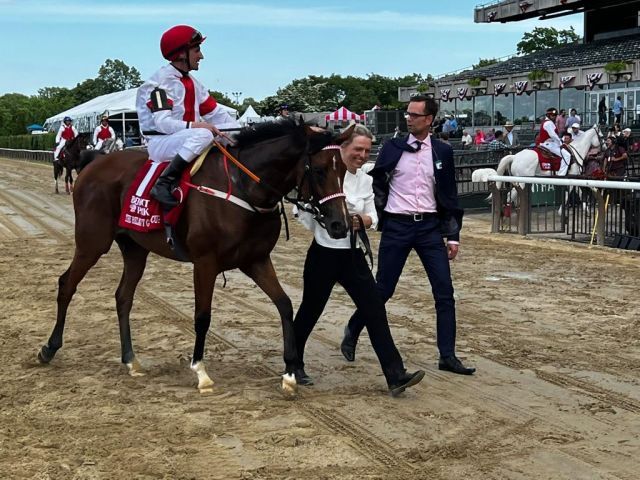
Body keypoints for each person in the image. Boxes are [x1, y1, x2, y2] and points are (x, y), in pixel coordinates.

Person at [340, 94, 475, 376]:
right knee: (383, 289)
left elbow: (449, 195)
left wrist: (453, 235)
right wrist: (381, 216)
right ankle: (353, 328)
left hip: (429, 228)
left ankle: (447, 355)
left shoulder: (442, 151)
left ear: (429, 119)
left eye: (414, 115)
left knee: (444, 293)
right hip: (398, 227)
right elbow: (376, 181)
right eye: (407, 114)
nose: (408, 119)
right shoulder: (393, 147)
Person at [293, 124, 425, 396]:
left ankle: (395, 375)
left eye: (367, 150)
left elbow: (373, 217)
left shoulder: (364, 180)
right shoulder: (323, 172)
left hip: (353, 254)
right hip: (323, 252)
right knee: (310, 310)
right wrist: (329, 224)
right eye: (357, 149)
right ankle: (293, 364)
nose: (363, 155)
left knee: (375, 311)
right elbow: (301, 211)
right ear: (343, 147)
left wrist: (359, 220)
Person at [136, 24, 239, 210]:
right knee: (205, 134)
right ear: (182, 54)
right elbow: (162, 124)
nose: (201, 56)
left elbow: (219, 116)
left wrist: (245, 134)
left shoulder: (194, 84)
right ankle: (163, 183)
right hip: (160, 142)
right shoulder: (159, 83)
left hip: (185, 138)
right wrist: (199, 126)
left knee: (229, 133)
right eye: (197, 50)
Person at [539, 107, 571, 176]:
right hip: (548, 144)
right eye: (553, 115)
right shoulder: (548, 123)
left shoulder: (548, 122)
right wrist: (560, 142)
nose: (555, 117)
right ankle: (561, 175)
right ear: (548, 115)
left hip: (549, 143)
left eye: (555, 115)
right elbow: (553, 135)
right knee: (567, 155)